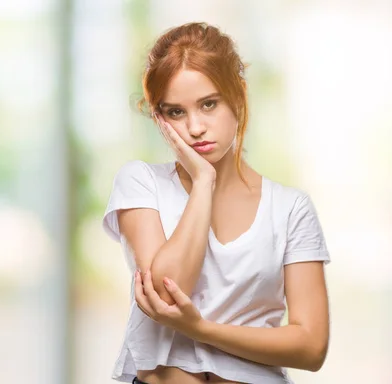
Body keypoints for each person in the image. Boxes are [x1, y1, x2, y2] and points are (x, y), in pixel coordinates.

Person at [102, 22, 331, 384]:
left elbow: (311, 346)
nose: (194, 127)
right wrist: (203, 182)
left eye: (209, 104)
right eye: (176, 112)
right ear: (159, 118)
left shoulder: (290, 208)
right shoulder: (141, 183)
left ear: (237, 96)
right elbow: (164, 292)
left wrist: (201, 329)